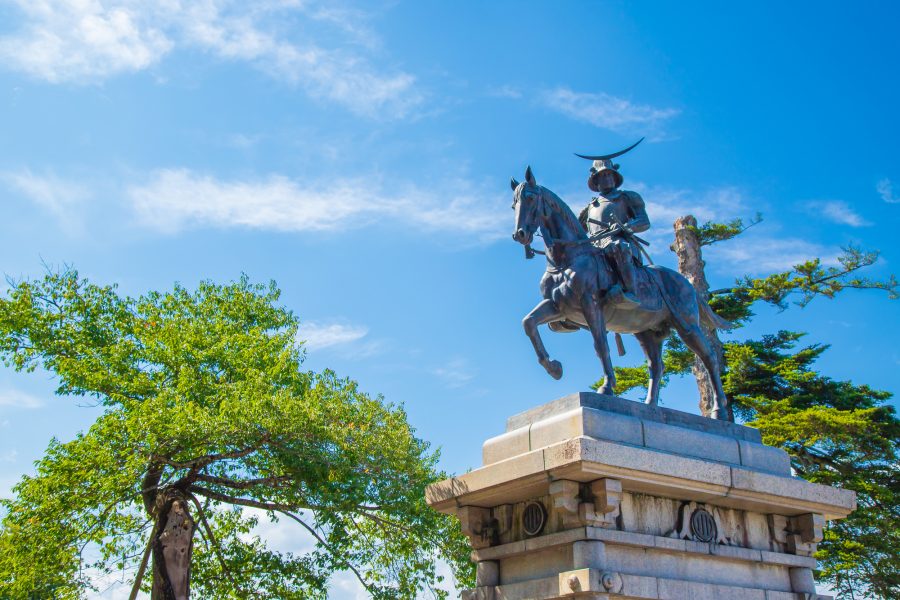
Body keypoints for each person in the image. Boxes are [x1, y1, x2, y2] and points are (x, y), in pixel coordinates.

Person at [578, 158, 650, 309]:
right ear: (596, 181)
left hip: (620, 245)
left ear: (615, 177)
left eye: (610, 175)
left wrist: (625, 227)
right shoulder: (589, 208)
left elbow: (644, 221)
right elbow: (577, 232)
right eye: (603, 176)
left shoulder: (628, 197)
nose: (607, 178)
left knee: (618, 247)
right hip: (597, 248)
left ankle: (630, 291)